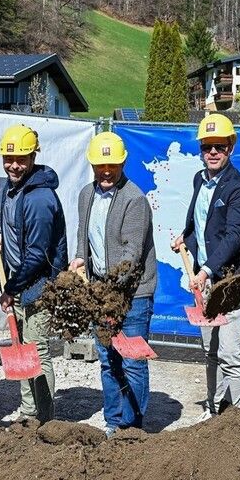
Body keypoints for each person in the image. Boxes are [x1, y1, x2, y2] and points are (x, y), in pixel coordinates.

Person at [170, 113, 240, 420]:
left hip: (234, 282)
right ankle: (214, 413)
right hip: (208, 282)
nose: (212, 152)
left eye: (219, 146)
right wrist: (185, 238)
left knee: (230, 354)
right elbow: (200, 224)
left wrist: (206, 269)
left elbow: (235, 235)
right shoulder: (200, 179)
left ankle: (235, 422)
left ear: (230, 147)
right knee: (210, 352)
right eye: (207, 146)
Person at [70, 131, 157, 435]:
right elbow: (84, 237)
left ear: (123, 163)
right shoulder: (86, 195)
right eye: (100, 166)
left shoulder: (135, 200)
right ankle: (113, 422)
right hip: (100, 291)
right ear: (92, 165)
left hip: (132, 295)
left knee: (132, 361)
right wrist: (79, 259)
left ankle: (131, 428)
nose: (106, 172)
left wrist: (110, 294)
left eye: (112, 166)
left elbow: (131, 256)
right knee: (108, 360)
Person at [0, 124, 66, 424]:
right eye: (8, 159)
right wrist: (3, 238)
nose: (14, 165)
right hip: (22, 281)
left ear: (33, 157)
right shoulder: (13, 188)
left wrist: (10, 288)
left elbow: (37, 254)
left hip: (40, 284)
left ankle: (46, 420)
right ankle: (28, 413)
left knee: (37, 350)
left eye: (21, 159)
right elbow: (19, 227)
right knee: (22, 348)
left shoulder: (39, 198)